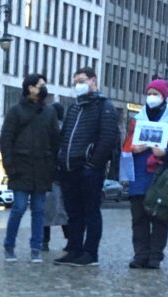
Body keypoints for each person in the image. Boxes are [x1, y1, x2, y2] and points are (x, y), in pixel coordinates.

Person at [120, 79, 168, 269]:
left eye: (155, 93)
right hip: (140, 177)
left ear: (164, 96)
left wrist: (165, 152)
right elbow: (127, 144)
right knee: (139, 218)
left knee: (160, 218)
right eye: (149, 93)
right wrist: (133, 148)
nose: (151, 97)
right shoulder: (138, 119)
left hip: (163, 178)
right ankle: (140, 254)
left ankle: (155, 256)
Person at [55, 67, 119, 267]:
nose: (78, 85)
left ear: (93, 81)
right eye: (75, 82)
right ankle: (74, 248)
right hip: (69, 168)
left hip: (89, 169)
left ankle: (90, 252)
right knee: (73, 212)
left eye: (81, 81)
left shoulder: (104, 107)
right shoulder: (74, 108)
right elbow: (64, 136)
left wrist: (93, 164)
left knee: (91, 211)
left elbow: (108, 138)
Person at [0, 73, 60, 263]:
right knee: (18, 208)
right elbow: (5, 140)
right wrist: (10, 167)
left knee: (39, 210)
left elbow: (55, 141)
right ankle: (9, 246)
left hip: (42, 168)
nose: (43, 88)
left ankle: (36, 248)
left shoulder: (49, 112)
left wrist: (52, 165)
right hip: (21, 168)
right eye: (40, 85)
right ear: (30, 88)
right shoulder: (16, 111)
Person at [42, 102, 68, 251]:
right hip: (61, 175)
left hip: (49, 175)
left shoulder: (48, 128)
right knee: (64, 211)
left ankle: (44, 241)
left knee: (46, 211)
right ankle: (70, 240)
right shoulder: (65, 129)